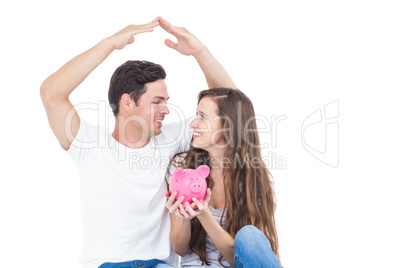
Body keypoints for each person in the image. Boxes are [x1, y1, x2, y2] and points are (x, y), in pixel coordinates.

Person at [40, 17, 236, 268]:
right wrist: (109, 44)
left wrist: (201, 53)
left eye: (166, 100)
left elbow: (231, 108)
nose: (166, 109)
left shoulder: (170, 140)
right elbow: (51, 92)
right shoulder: (89, 144)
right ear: (127, 102)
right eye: (157, 102)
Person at [165, 88, 282, 267]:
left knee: (249, 235)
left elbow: (249, 253)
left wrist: (204, 214)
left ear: (228, 125)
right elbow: (180, 249)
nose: (193, 124)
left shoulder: (254, 179)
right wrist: (183, 216)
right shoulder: (183, 168)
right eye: (196, 115)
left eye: (202, 117)